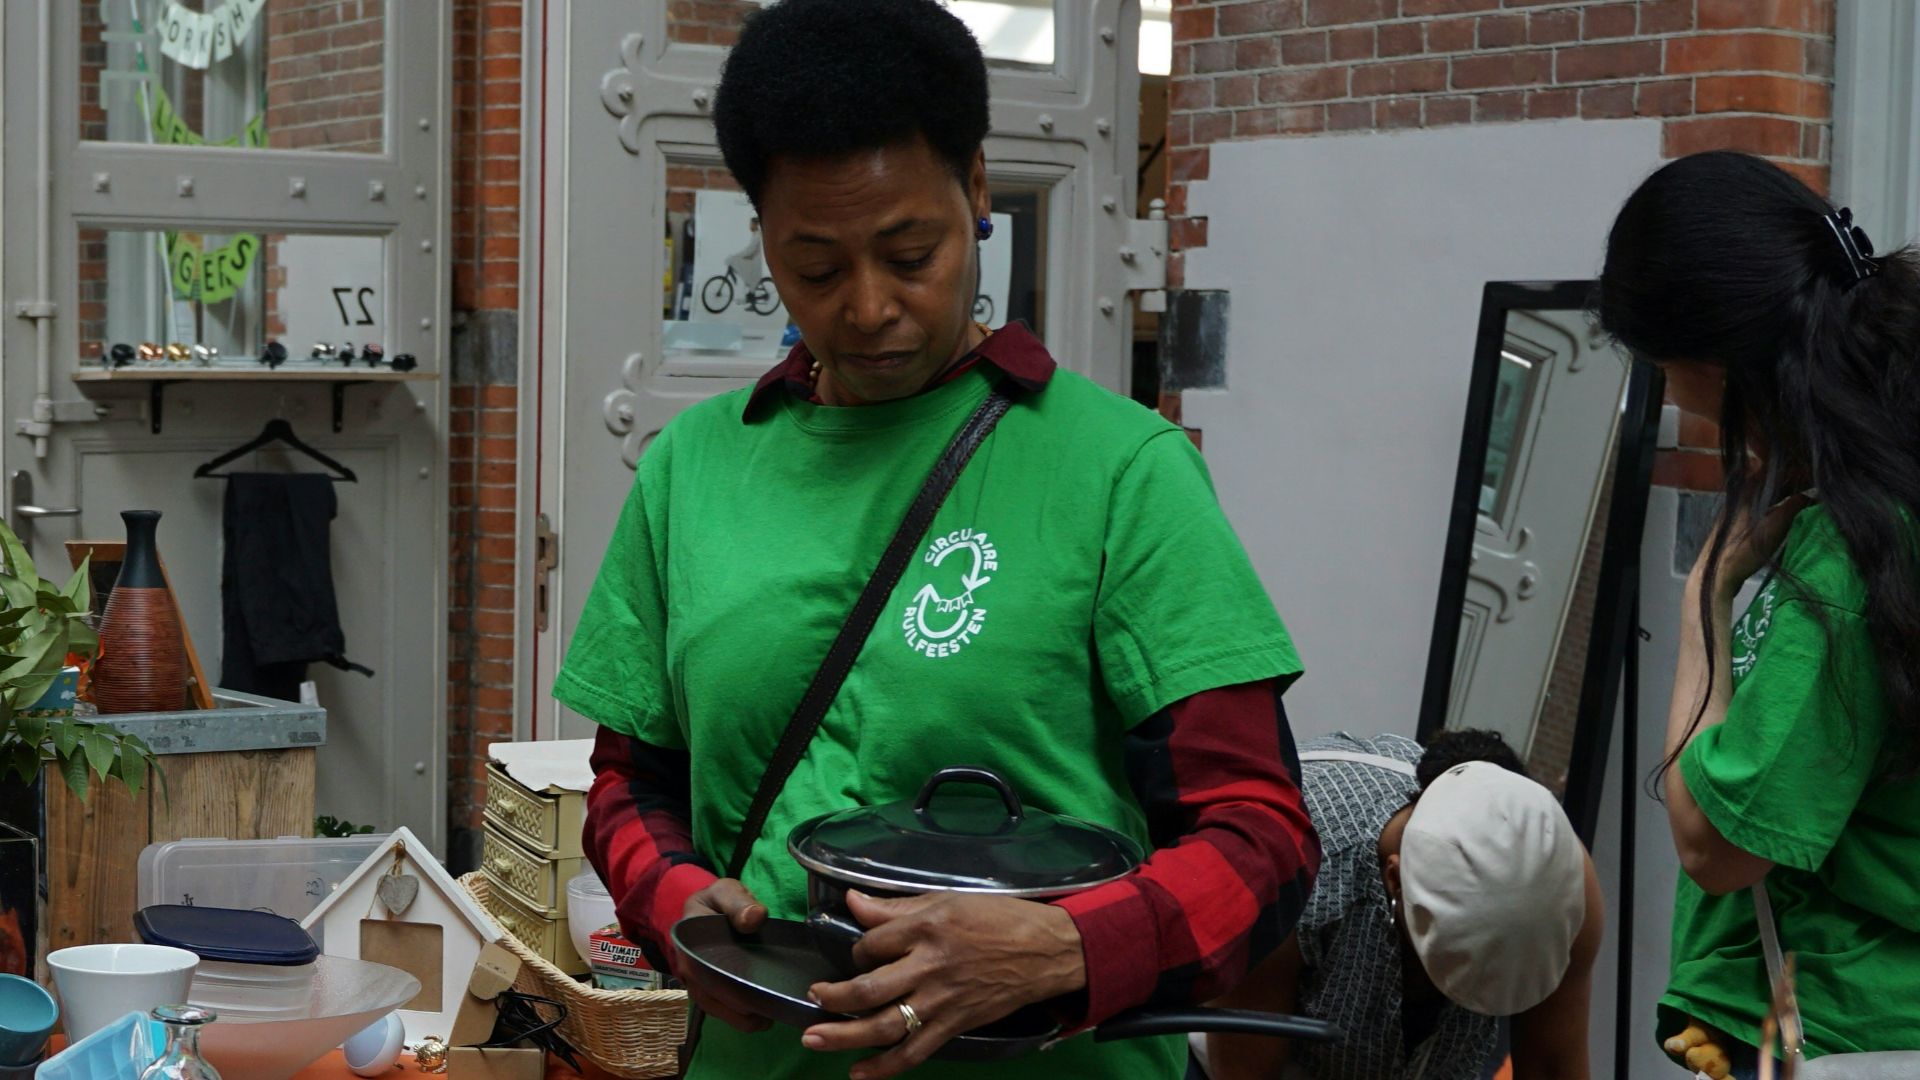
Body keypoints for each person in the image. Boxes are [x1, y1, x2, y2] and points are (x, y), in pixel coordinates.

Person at [558, 2, 1320, 1078]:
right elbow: (629, 785)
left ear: (976, 190)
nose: (870, 308)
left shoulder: (1121, 473)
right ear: (759, 230)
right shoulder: (693, 471)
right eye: (815, 268)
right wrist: (677, 903)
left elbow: (1262, 838)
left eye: (910, 252)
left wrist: (1068, 947)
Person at [1596, 150, 1920, 1075]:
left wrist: (1708, 593)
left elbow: (1715, 845)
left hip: (1848, 1023)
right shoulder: (1888, 490)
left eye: (1669, 374)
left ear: (1714, 361)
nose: (1690, 414)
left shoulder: (1857, 545)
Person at [1199, 730, 1602, 1080]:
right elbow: (1244, 1067)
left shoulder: (1564, 888)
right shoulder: (1293, 867)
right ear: (1395, 879)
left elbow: (1553, 1068)